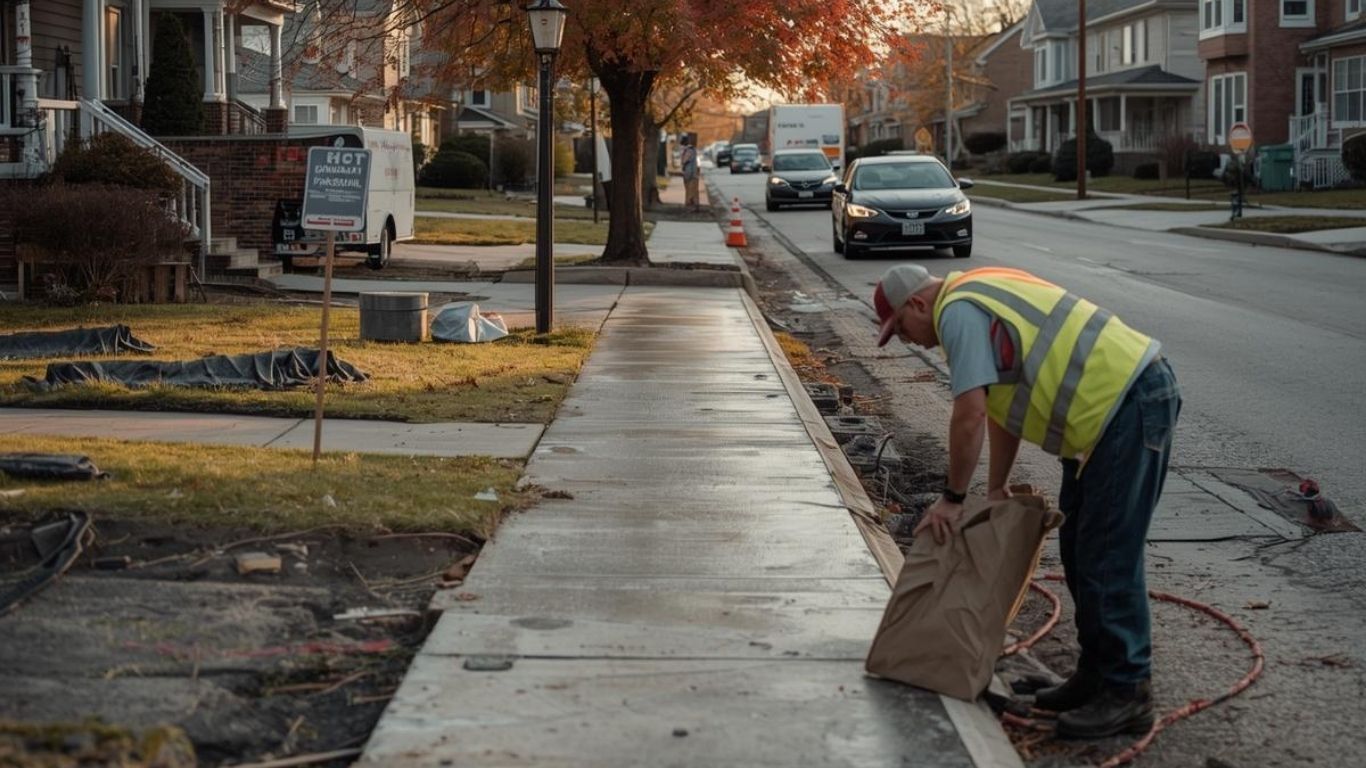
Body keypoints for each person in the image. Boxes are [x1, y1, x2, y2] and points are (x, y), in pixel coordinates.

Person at [871, 263, 1181, 740]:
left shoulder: (956, 311)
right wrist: (996, 485)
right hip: (1104, 421)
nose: (908, 340)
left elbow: (970, 413)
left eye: (902, 329)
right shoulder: (974, 298)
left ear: (916, 303)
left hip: (1128, 405)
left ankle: (1128, 693)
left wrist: (953, 498)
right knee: (1081, 552)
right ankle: (1097, 675)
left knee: (1107, 558)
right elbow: (1002, 409)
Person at [680, 136, 700, 211]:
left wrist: (683, 163)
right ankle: (695, 205)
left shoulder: (688, 150)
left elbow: (685, 161)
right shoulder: (692, 150)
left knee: (690, 191)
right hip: (692, 173)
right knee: (693, 191)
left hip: (690, 173)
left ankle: (691, 206)